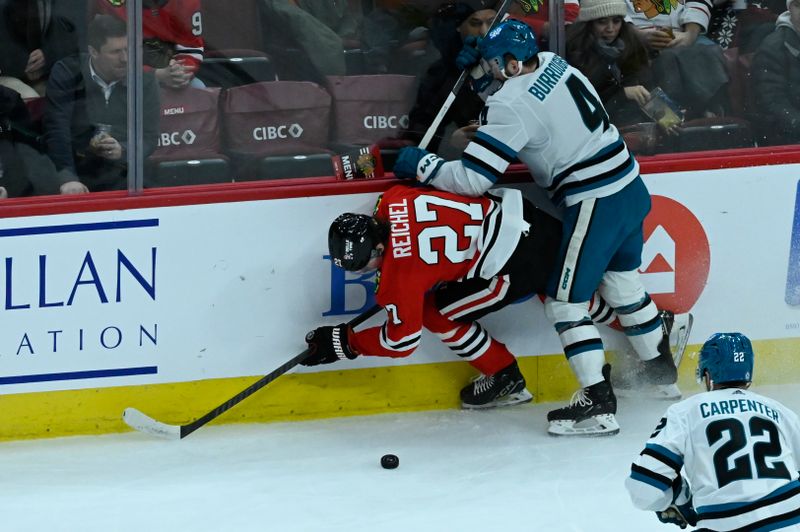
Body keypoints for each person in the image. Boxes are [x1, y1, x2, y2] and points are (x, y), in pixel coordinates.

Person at [391, 19, 681, 436]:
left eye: (494, 64)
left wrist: (423, 164)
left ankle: (597, 406)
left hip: (595, 201)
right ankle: (658, 375)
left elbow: (475, 178)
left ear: (510, 63)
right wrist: (481, 76)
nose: (491, 72)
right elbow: (525, 102)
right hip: (630, 187)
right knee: (623, 284)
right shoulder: (552, 62)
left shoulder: (510, 103)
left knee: (565, 305)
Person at [302, 182, 564, 409]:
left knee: (436, 314)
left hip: (519, 265)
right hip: (531, 217)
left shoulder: (399, 278)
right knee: (587, 296)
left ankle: (505, 376)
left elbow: (401, 342)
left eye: (363, 266)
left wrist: (347, 343)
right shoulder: (392, 198)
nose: (364, 272)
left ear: (379, 247)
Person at [625, 332, 800, 530]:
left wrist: (679, 498)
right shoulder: (779, 410)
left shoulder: (684, 412)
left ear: (707, 375)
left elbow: (643, 489)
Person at [43, 14, 160, 193]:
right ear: (93, 51)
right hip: (78, 170)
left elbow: (150, 136)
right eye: (115, 52)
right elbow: (57, 130)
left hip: (125, 172)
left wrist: (124, 149)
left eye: (129, 50)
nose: (125, 58)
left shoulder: (144, 79)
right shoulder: (67, 72)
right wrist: (67, 177)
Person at [398, 1, 499, 157]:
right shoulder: (441, 74)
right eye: (475, 23)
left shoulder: (522, 62)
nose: (485, 32)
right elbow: (421, 133)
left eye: (493, 23)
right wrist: (451, 143)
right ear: (458, 28)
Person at [625, 0, 730, 119]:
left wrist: (690, 35)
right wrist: (637, 37)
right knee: (662, 60)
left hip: (683, 32)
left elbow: (698, 3)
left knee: (711, 51)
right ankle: (678, 116)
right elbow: (611, 12)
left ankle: (705, 110)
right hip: (632, 36)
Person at [565, 0, 653, 127]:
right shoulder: (574, 53)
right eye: (602, 22)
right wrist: (622, 94)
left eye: (616, 21)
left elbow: (645, 92)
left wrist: (661, 115)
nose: (610, 29)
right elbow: (581, 106)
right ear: (588, 23)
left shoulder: (632, 45)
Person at [91, 0, 205, 89]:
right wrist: (154, 75)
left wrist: (179, 73)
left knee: (198, 88)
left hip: (168, 71)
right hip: (120, 79)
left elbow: (191, 48)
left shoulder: (186, 3)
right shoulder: (112, 4)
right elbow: (109, 61)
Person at [0, 0, 81, 98]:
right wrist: (26, 64)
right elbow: (4, 43)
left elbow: (72, 36)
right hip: (10, 73)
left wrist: (46, 55)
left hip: (53, 70)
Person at [751, 0, 800, 146]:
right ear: (789, 8)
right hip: (788, 141)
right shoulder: (773, 48)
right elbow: (772, 104)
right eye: (798, 5)